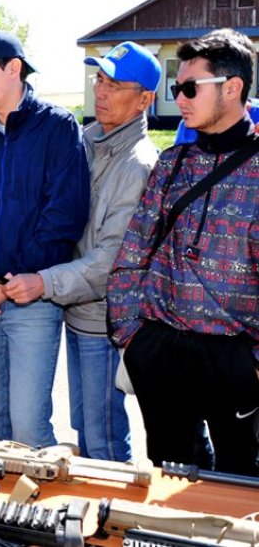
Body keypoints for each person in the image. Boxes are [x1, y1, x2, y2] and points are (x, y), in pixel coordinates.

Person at [108, 28, 259, 475]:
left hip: (235, 359)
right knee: (169, 475)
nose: (180, 98)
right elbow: (132, 252)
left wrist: (252, 367)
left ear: (232, 89)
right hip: (161, 350)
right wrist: (133, 337)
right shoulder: (171, 163)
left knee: (237, 484)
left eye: (190, 87)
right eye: (177, 88)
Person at [5, 41, 160, 461]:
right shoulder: (85, 141)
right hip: (75, 310)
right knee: (85, 427)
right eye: (100, 79)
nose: (102, 91)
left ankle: (112, 521)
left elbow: (111, 259)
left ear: (146, 99)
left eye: (115, 84)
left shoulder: (137, 163)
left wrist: (43, 281)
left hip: (103, 320)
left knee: (103, 436)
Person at [0, 30, 90, 447]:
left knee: (28, 428)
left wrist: (6, 285)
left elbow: (64, 217)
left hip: (30, 300)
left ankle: (37, 513)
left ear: (13, 70)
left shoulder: (58, 127)